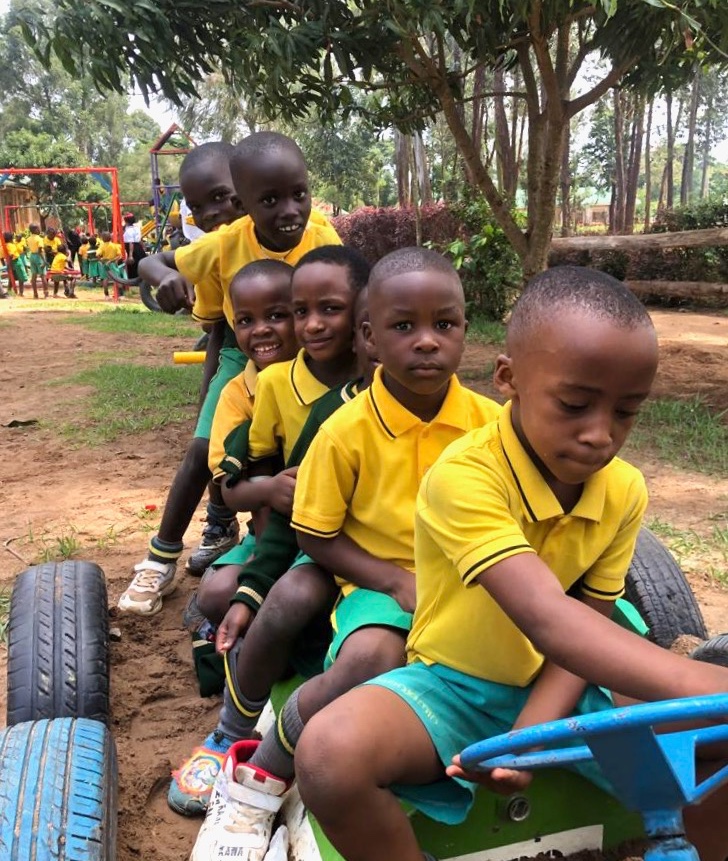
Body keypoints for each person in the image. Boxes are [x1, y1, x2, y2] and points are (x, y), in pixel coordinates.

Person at [273, 265, 728, 861]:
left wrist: (526, 736)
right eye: (574, 405)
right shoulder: (464, 476)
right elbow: (549, 618)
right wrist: (707, 682)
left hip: (565, 688)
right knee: (329, 754)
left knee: (717, 743)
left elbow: (585, 628)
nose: (600, 435)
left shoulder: (623, 490)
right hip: (452, 683)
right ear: (509, 379)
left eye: (626, 413)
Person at [189, 247, 502, 860]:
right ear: (371, 337)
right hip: (373, 581)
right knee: (369, 659)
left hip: (470, 579)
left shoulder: (492, 425)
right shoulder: (343, 428)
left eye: (447, 324)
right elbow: (312, 534)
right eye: (404, 327)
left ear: (468, 330)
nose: (428, 343)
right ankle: (259, 776)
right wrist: (391, 580)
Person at [169, 245, 370, 817]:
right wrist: (265, 493)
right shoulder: (278, 387)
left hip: (381, 547)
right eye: (298, 310)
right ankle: (234, 725)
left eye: (323, 309)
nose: (307, 325)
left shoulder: (390, 386)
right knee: (259, 596)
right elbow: (248, 478)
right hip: (304, 535)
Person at [118, 132, 341, 615]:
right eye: (270, 200)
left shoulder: (321, 233)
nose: (288, 210)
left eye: (297, 195)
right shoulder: (224, 245)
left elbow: (350, 291)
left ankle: (284, 541)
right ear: (248, 203)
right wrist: (164, 278)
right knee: (204, 447)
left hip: (309, 353)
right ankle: (161, 556)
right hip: (247, 356)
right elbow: (156, 268)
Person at [98, 231, 124, 298]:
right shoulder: (115, 246)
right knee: (117, 278)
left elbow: (98, 255)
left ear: (102, 238)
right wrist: (112, 260)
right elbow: (119, 256)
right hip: (112, 263)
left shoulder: (102, 246)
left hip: (104, 263)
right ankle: (121, 295)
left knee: (105, 279)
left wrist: (101, 260)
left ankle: (106, 295)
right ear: (110, 237)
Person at [26, 224, 48, 299]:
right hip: (39, 257)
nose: (39, 230)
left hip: (32, 256)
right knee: (43, 276)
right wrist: (44, 261)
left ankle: (35, 294)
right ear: (35, 230)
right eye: (38, 229)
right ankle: (46, 293)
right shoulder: (39, 239)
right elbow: (39, 251)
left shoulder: (28, 238)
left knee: (34, 276)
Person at [122, 212, 147, 279]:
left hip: (132, 249)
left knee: (134, 264)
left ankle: (135, 279)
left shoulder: (128, 231)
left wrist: (130, 255)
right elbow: (139, 239)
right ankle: (143, 277)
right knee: (140, 262)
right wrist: (143, 246)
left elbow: (131, 242)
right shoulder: (136, 228)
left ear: (126, 221)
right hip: (138, 246)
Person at [3, 231, 27, 296]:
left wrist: (7, 264)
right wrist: (9, 264)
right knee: (20, 277)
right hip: (16, 261)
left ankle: (9, 291)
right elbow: (11, 255)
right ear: (11, 238)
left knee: (11, 277)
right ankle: (21, 293)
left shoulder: (5, 245)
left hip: (10, 261)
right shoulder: (11, 245)